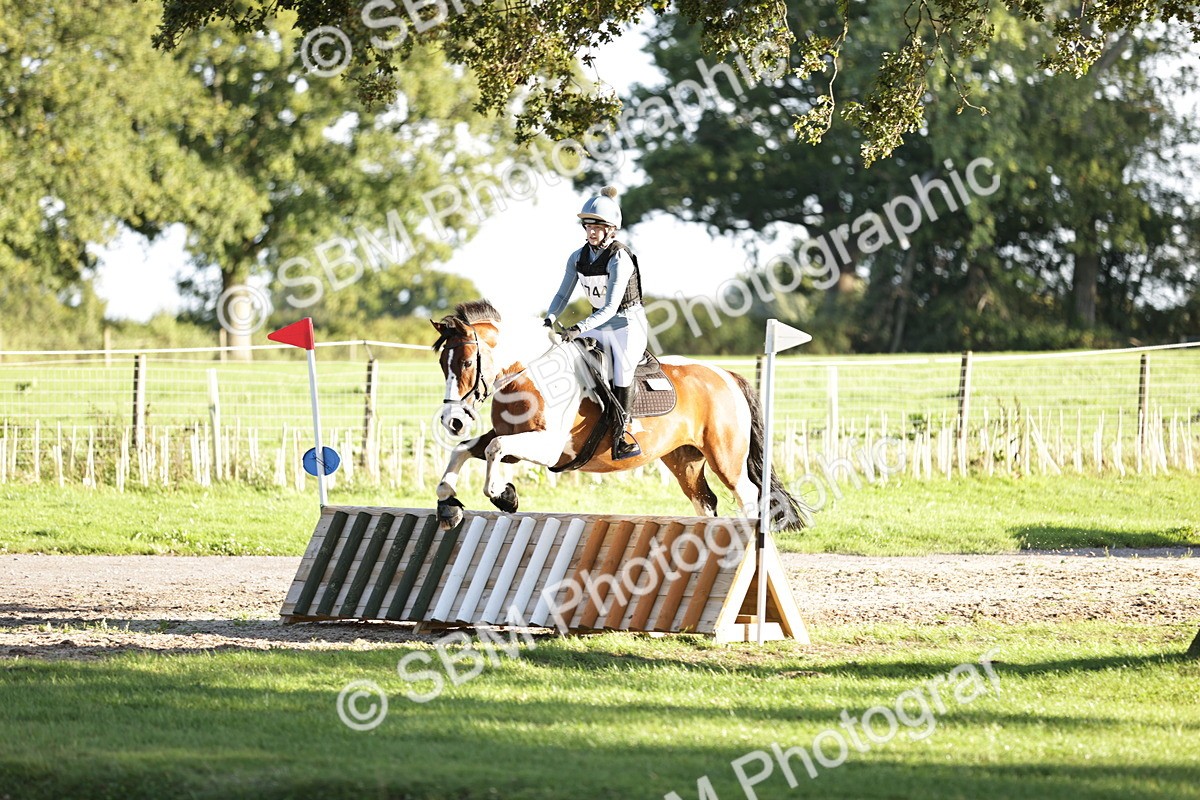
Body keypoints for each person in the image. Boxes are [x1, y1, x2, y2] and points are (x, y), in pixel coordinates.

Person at [544, 186, 649, 460]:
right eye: (588, 225)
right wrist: (549, 319)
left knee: (622, 370)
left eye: (598, 226)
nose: (591, 231)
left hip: (627, 324)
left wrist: (578, 327)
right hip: (599, 325)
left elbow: (612, 306)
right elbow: (562, 294)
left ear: (612, 230)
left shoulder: (619, 257)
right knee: (572, 361)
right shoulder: (577, 257)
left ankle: (623, 433)